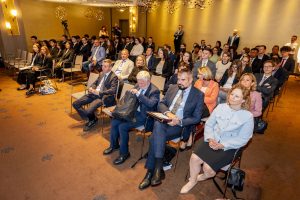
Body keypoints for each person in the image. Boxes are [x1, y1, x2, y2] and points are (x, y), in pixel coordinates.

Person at [180, 84, 254, 194]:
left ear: (243, 100)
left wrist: (223, 145)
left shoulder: (247, 116)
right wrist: (210, 138)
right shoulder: (221, 107)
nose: (232, 97)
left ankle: (204, 176)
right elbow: (209, 124)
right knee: (194, 158)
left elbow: (244, 138)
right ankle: (193, 180)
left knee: (208, 169)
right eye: (232, 94)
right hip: (213, 139)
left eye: (237, 96)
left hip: (229, 147)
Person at [138, 68, 204, 190]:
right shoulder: (173, 87)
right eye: (178, 78)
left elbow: (196, 118)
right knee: (158, 126)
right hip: (165, 119)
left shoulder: (198, 95)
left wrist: (179, 120)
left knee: (154, 138)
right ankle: (158, 168)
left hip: (180, 126)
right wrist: (168, 113)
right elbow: (161, 104)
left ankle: (149, 172)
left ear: (191, 80)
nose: (179, 82)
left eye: (183, 79)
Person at [103, 71, 160, 165]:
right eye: (138, 82)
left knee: (122, 127)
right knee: (114, 121)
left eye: (142, 82)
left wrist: (139, 94)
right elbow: (129, 99)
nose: (139, 84)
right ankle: (114, 145)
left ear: (148, 80)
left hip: (143, 116)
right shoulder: (138, 84)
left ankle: (124, 153)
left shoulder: (154, 91)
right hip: (131, 112)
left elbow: (151, 103)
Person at [73, 59, 118, 131]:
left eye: (105, 66)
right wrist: (91, 87)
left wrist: (100, 92)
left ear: (110, 67)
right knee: (76, 104)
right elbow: (95, 83)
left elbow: (113, 90)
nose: (103, 67)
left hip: (102, 96)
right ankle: (91, 119)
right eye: (102, 65)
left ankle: (91, 119)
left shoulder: (114, 77)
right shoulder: (101, 73)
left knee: (88, 111)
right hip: (93, 93)